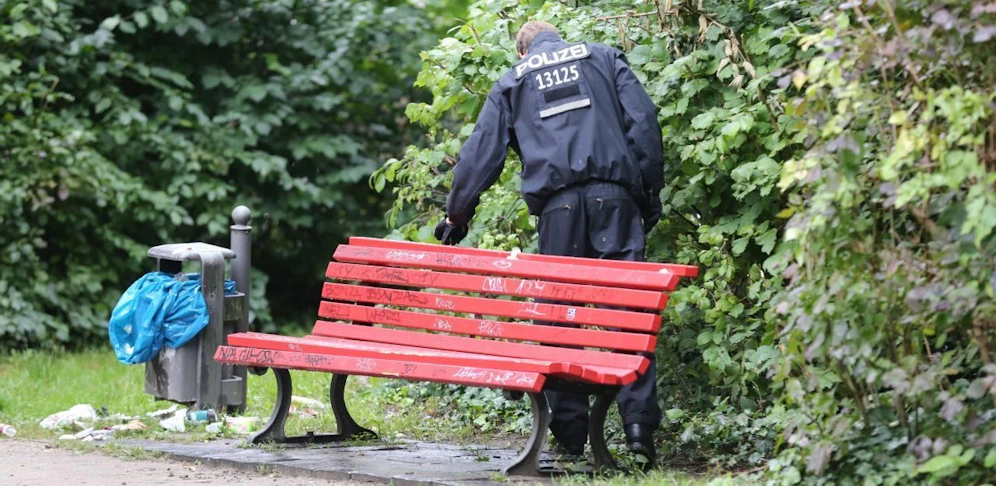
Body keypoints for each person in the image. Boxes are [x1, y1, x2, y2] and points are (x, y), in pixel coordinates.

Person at [433, 21, 665, 460]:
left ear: (522, 52)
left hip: (558, 209)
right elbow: (644, 120)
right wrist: (650, 190)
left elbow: (482, 153)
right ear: (559, 39)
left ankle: (571, 434)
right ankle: (638, 428)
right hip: (615, 199)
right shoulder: (601, 56)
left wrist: (457, 215)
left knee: (560, 319)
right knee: (629, 314)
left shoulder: (513, 81)